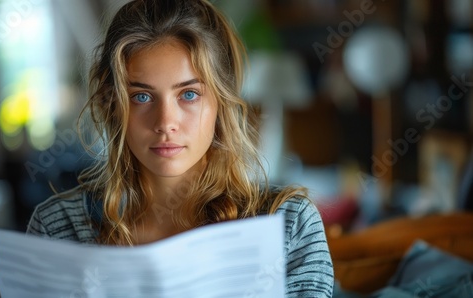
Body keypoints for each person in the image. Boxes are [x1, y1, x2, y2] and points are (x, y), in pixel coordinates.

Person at [26, 0, 334, 296]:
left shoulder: (287, 226)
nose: (165, 123)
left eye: (188, 94)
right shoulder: (58, 229)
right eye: (142, 97)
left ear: (220, 103)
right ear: (113, 105)